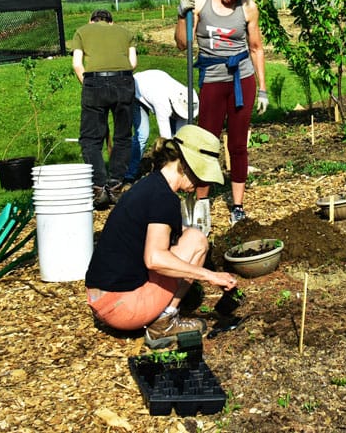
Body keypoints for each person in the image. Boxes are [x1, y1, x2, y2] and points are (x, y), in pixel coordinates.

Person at [84, 125, 238, 349]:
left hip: (101, 299)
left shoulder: (150, 185)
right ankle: (164, 323)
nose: (201, 184)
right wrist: (209, 275)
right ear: (184, 165)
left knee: (190, 235)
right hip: (123, 307)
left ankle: (157, 315)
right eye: (199, 175)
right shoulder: (164, 199)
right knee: (196, 242)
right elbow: (154, 259)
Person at [174, 0, 268, 226]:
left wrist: (262, 89)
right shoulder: (200, 3)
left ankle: (237, 206)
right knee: (206, 143)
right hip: (213, 81)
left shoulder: (248, 8)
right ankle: (202, 202)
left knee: (238, 145)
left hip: (242, 79)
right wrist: (182, 15)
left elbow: (256, 48)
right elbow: (182, 44)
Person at [71, 9, 137, 209]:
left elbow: (77, 64)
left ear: (91, 21)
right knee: (123, 136)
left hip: (94, 83)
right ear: (111, 22)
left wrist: (88, 84)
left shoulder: (82, 31)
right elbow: (133, 63)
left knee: (90, 138)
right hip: (123, 81)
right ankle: (115, 185)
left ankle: (98, 187)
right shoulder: (125, 32)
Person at [125, 69, 199, 182]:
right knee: (142, 136)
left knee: (177, 139)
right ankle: (130, 174)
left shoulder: (186, 98)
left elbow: (181, 136)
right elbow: (165, 139)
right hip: (137, 92)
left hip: (156, 85)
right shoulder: (162, 102)